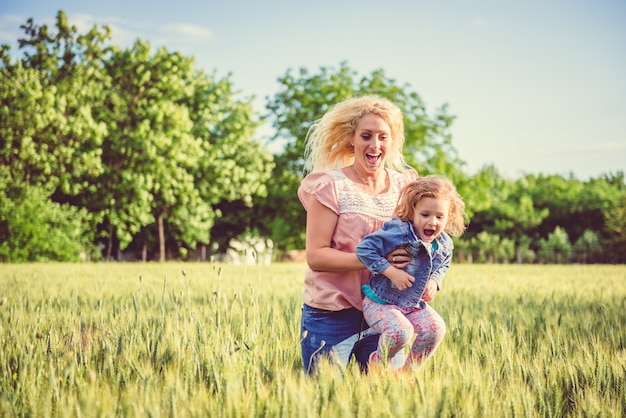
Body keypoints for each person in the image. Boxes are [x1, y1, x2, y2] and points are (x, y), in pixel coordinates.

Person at [297, 94, 418, 374]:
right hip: (332, 315)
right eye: (366, 136)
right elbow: (316, 256)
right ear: (352, 139)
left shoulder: (406, 187)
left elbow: (425, 242)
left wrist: (430, 279)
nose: (375, 145)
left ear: (392, 141)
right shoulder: (330, 186)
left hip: (387, 313)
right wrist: (377, 260)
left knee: (385, 402)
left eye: (383, 137)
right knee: (324, 402)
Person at [355, 175, 466, 370]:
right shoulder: (399, 231)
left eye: (440, 217)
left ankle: (407, 374)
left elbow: (444, 263)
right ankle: (378, 365)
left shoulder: (444, 243)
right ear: (413, 211)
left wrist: (435, 281)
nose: (432, 222)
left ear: (449, 217)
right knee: (402, 331)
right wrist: (390, 271)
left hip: (411, 305)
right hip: (381, 303)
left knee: (436, 329)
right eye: (425, 215)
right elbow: (364, 249)